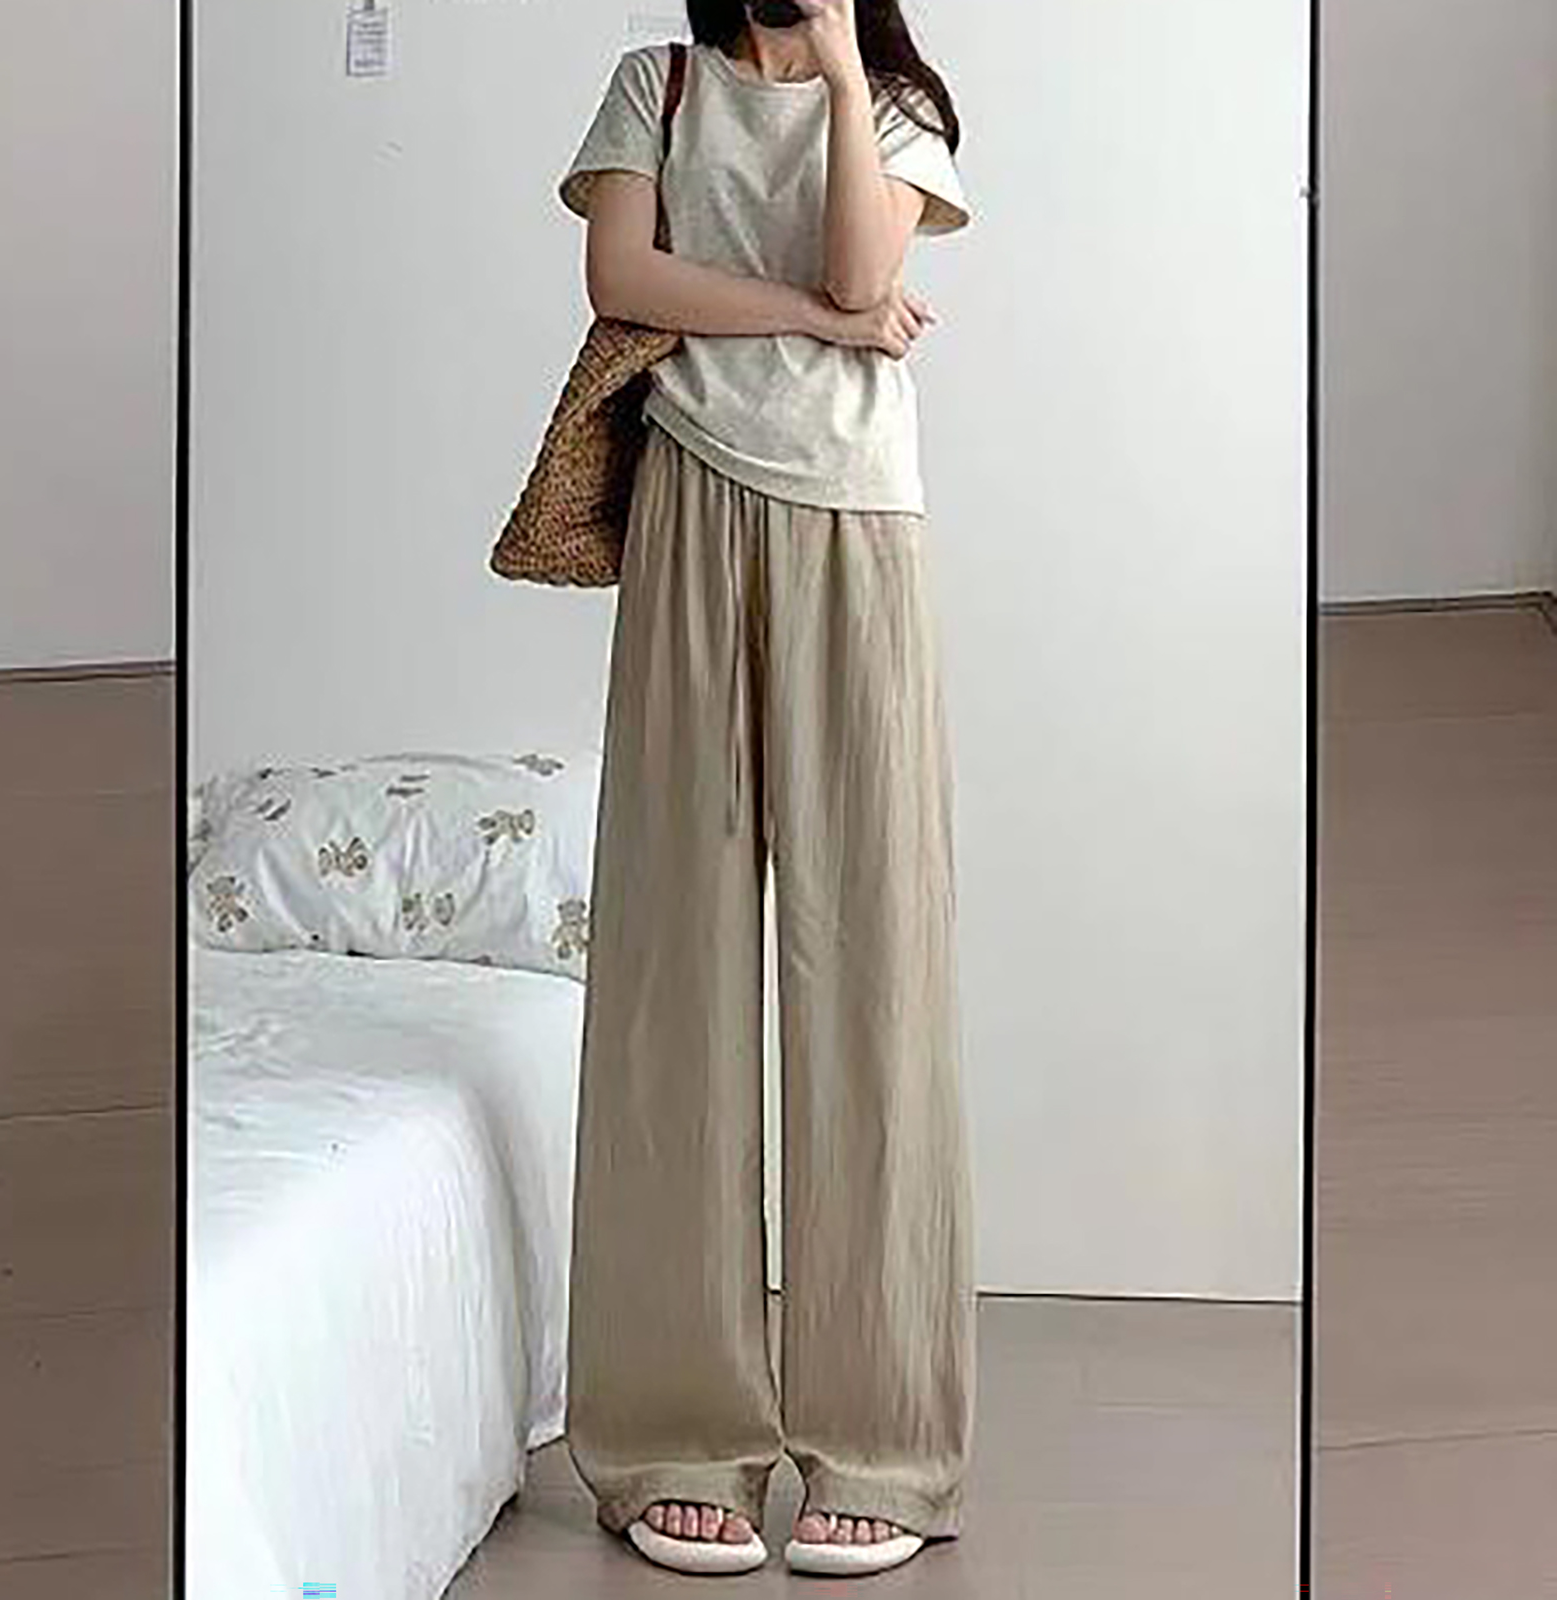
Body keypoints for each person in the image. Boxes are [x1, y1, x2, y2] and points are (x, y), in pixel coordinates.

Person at [555, 0, 976, 1577]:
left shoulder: (905, 103)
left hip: (858, 526)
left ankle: (881, 1441)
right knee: (675, 964)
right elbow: (622, 278)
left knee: (874, 971)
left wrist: (850, 75)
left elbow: (870, 275)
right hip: (689, 506)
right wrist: (815, 316)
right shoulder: (656, 83)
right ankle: (679, 1433)